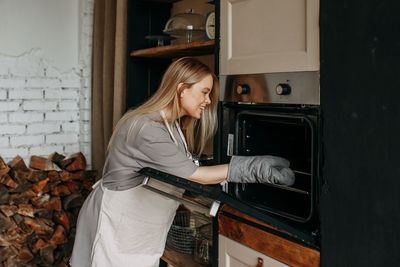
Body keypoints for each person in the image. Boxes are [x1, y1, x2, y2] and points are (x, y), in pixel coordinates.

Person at [70, 57, 295, 267]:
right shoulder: (148, 129)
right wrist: (253, 169)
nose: (208, 101)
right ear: (181, 89)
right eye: (204, 92)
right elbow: (195, 175)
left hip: (139, 229)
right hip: (116, 225)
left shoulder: (173, 126)